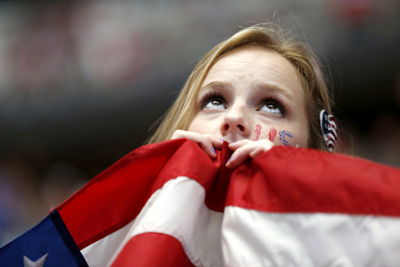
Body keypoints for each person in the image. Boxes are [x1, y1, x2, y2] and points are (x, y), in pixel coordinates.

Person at [147, 23, 336, 168]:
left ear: (313, 146)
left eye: (271, 106)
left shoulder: (351, 219)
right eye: (215, 102)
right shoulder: (130, 217)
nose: (234, 116)